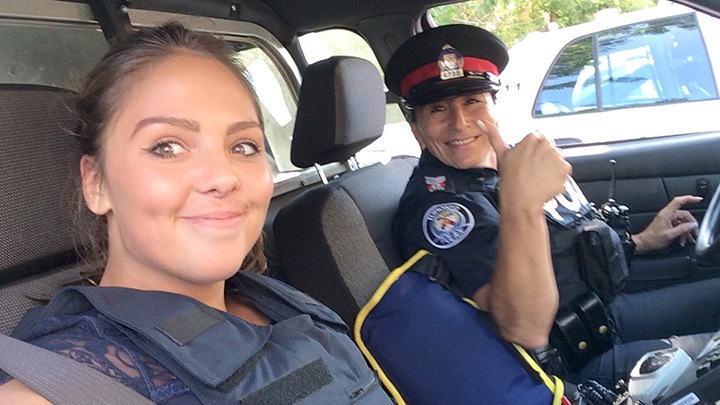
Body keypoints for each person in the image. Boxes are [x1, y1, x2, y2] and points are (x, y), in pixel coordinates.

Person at [0, 23, 391, 404]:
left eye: (243, 147)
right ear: (96, 183)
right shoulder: (52, 389)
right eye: (167, 147)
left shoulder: (275, 300)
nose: (223, 177)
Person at [387, 24, 720, 387]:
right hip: (567, 369)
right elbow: (525, 329)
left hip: (598, 317)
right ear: (417, 129)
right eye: (437, 109)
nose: (460, 122)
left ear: (494, 108)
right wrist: (522, 201)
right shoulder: (442, 210)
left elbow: (561, 251)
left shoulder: (500, 168)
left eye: (472, 102)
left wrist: (640, 241)